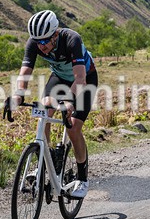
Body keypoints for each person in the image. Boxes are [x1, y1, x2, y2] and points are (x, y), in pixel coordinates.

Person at [5, 10, 98, 199]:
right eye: (38, 42)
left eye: (45, 41)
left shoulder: (72, 39)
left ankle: (82, 178)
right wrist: (17, 96)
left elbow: (80, 77)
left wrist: (69, 100)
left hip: (84, 80)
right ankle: (43, 163)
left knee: (73, 128)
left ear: (55, 34)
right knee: (43, 112)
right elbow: (24, 73)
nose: (42, 46)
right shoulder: (34, 43)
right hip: (60, 78)